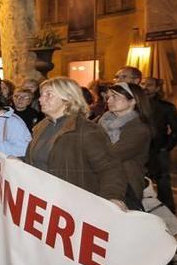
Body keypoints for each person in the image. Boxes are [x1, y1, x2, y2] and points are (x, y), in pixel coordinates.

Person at [24, 77, 127, 206]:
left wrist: (112, 197)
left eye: (48, 95)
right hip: (42, 200)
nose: (40, 99)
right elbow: (36, 160)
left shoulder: (86, 130)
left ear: (67, 99)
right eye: (41, 95)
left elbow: (109, 168)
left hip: (72, 205)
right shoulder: (41, 127)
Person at [98, 82, 152, 207]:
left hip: (126, 185)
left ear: (133, 100)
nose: (109, 100)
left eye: (115, 96)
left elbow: (112, 154)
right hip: (101, 181)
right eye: (108, 97)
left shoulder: (138, 128)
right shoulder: (102, 121)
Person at [143, 77, 177, 213]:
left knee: (163, 184)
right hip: (140, 150)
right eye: (143, 84)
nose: (145, 87)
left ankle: (169, 213)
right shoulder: (135, 105)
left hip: (159, 151)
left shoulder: (166, 107)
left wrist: (167, 147)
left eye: (150, 85)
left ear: (157, 88)